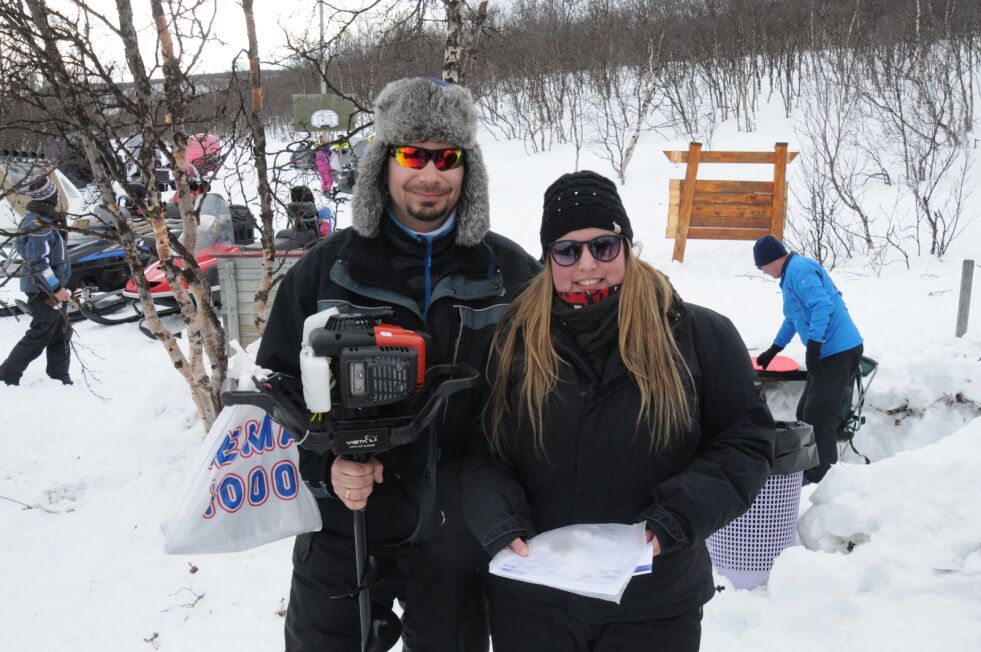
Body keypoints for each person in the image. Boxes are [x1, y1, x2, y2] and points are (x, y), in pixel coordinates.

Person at [256, 77, 541, 652]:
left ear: (468, 168)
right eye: (413, 154)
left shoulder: (510, 273)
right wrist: (324, 466)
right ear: (384, 162)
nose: (430, 175)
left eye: (448, 157)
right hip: (343, 527)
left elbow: (546, 398)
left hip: (458, 537)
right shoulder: (327, 269)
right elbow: (273, 395)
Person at [460, 171, 774, 652]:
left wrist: (673, 520)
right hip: (533, 603)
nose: (587, 264)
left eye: (603, 246)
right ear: (548, 259)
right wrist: (498, 519)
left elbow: (744, 444)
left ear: (625, 246)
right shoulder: (511, 341)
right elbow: (482, 447)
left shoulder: (698, 336)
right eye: (567, 250)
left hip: (653, 605)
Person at [753, 235, 864, 484]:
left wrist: (814, 345)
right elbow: (793, 317)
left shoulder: (800, 269)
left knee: (818, 415)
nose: (761, 271)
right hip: (827, 351)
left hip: (839, 351)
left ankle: (821, 476)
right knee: (805, 412)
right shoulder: (790, 275)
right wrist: (775, 348)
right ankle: (812, 469)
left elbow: (823, 306)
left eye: (761, 266)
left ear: (771, 260)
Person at [0, 177, 73, 386]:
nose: (57, 196)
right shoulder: (39, 225)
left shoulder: (44, 220)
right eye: (54, 193)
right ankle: (7, 375)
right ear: (50, 197)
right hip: (42, 289)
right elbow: (38, 262)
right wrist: (56, 288)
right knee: (40, 333)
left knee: (61, 331)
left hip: (49, 288)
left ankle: (59, 376)